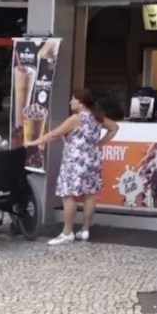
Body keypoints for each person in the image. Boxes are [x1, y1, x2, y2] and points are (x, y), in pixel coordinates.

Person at [26, 88, 119, 245]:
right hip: (93, 160)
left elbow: (54, 134)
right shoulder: (97, 117)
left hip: (74, 162)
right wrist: (100, 143)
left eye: (73, 99)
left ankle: (67, 232)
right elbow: (114, 127)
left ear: (81, 103)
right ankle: (85, 230)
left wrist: (33, 142)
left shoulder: (76, 118)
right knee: (89, 195)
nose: (70, 102)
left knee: (67, 195)